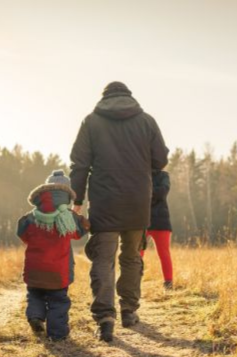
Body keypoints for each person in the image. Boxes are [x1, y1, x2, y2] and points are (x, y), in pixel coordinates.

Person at [70, 81, 169, 342]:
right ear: (129, 96)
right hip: (138, 202)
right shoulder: (146, 121)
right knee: (132, 257)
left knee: (103, 259)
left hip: (104, 202)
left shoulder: (91, 121)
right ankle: (129, 310)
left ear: (103, 98)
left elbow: (79, 164)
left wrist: (76, 199)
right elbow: (160, 160)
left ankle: (105, 318)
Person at [17, 170, 90, 341]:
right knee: (58, 301)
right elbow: (79, 232)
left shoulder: (31, 216)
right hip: (59, 270)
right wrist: (85, 222)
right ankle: (57, 335)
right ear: (67, 194)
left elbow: (22, 233)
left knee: (35, 295)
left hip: (35, 269)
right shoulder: (68, 216)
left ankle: (35, 316)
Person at [141, 169, 173, 290]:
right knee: (137, 254)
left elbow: (163, 192)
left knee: (164, 253)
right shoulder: (141, 173)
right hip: (142, 220)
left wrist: (145, 192)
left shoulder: (164, 175)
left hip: (161, 221)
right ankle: (134, 281)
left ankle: (168, 283)